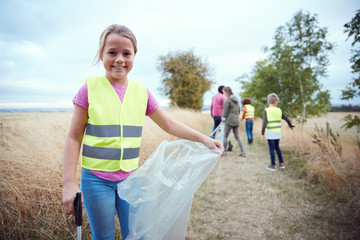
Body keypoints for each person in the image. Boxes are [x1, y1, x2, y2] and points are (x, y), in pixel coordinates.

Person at [61, 24, 224, 240]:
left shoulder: (141, 92)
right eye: (112, 52)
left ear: (134, 56)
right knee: (104, 237)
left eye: (126, 53)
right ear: (101, 55)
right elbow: (73, 137)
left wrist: (205, 139)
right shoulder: (88, 90)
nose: (119, 59)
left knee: (136, 234)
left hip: (131, 179)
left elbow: (169, 124)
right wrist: (69, 183)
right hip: (95, 180)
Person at [261, 93, 294, 171]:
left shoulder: (267, 110)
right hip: (277, 133)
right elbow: (287, 119)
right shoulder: (279, 110)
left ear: (268, 101)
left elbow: (264, 123)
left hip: (270, 133)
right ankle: (281, 163)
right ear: (276, 102)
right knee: (277, 148)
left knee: (271, 148)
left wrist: (262, 133)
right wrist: (290, 125)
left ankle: (273, 165)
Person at [221, 87, 246, 157]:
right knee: (237, 136)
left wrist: (223, 119)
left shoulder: (228, 100)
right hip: (236, 120)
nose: (223, 94)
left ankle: (224, 152)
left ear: (226, 92)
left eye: (224, 92)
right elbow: (238, 110)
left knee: (225, 136)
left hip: (229, 120)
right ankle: (242, 152)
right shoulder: (237, 100)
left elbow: (225, 112)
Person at [210, 85, 233, 151]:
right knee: (223, 131)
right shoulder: (223, 97)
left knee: (215, 128)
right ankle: (225, 145)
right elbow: (225, 107)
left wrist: (212, 113)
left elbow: (212, 105)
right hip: (221, 115)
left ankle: (212, 142)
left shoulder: (214, 96)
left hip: (214, 114)